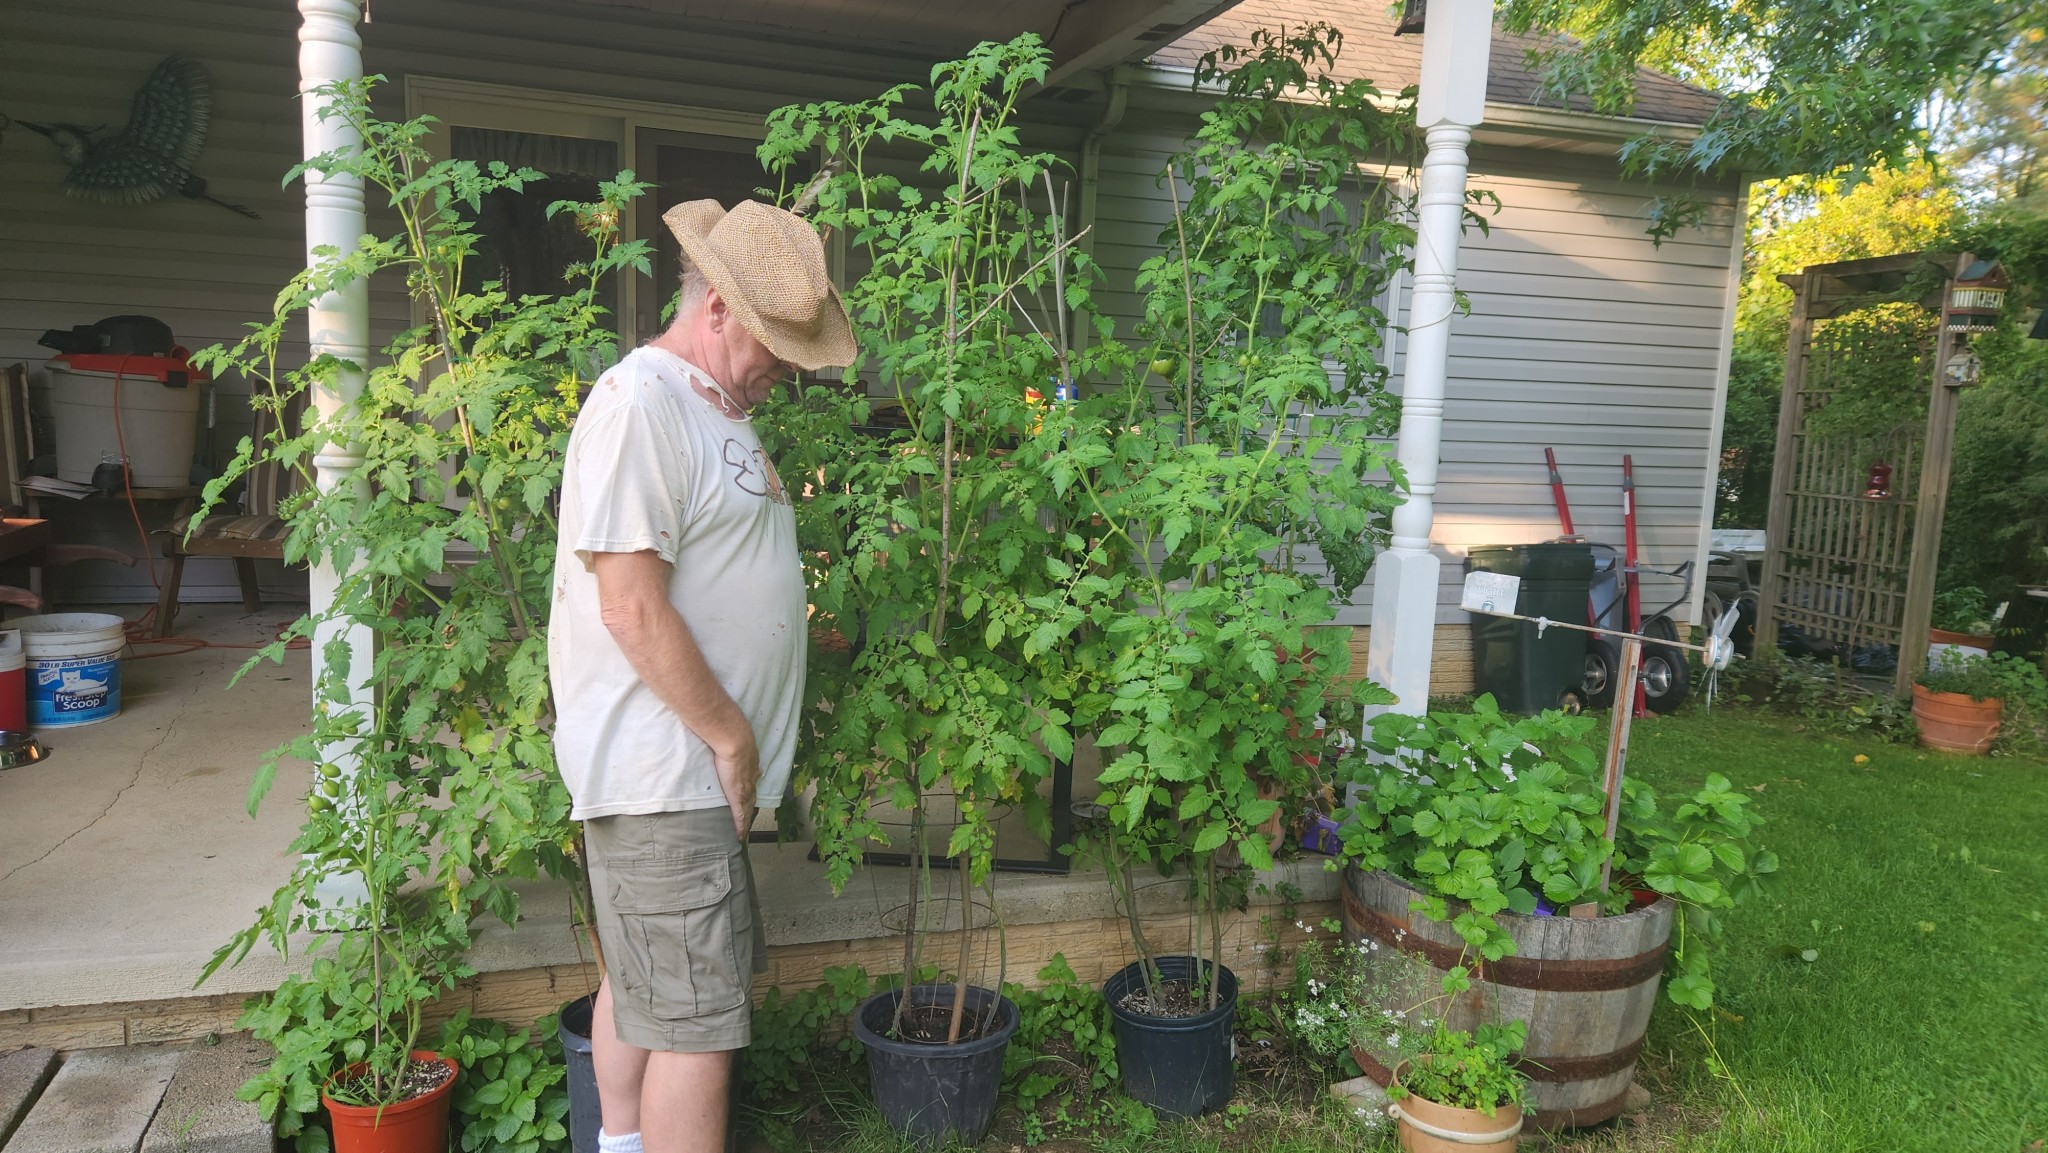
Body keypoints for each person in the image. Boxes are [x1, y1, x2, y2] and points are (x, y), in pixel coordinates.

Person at [548, 198, 855, 1153]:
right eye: (777, 345)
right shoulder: (642, 403)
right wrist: (728, 734)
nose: (788, 368)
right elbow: (630, 606)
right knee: (697, 1027)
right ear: (717, 307)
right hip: (665, 770)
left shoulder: (704, 401)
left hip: (678, 779)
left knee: (646, 990)